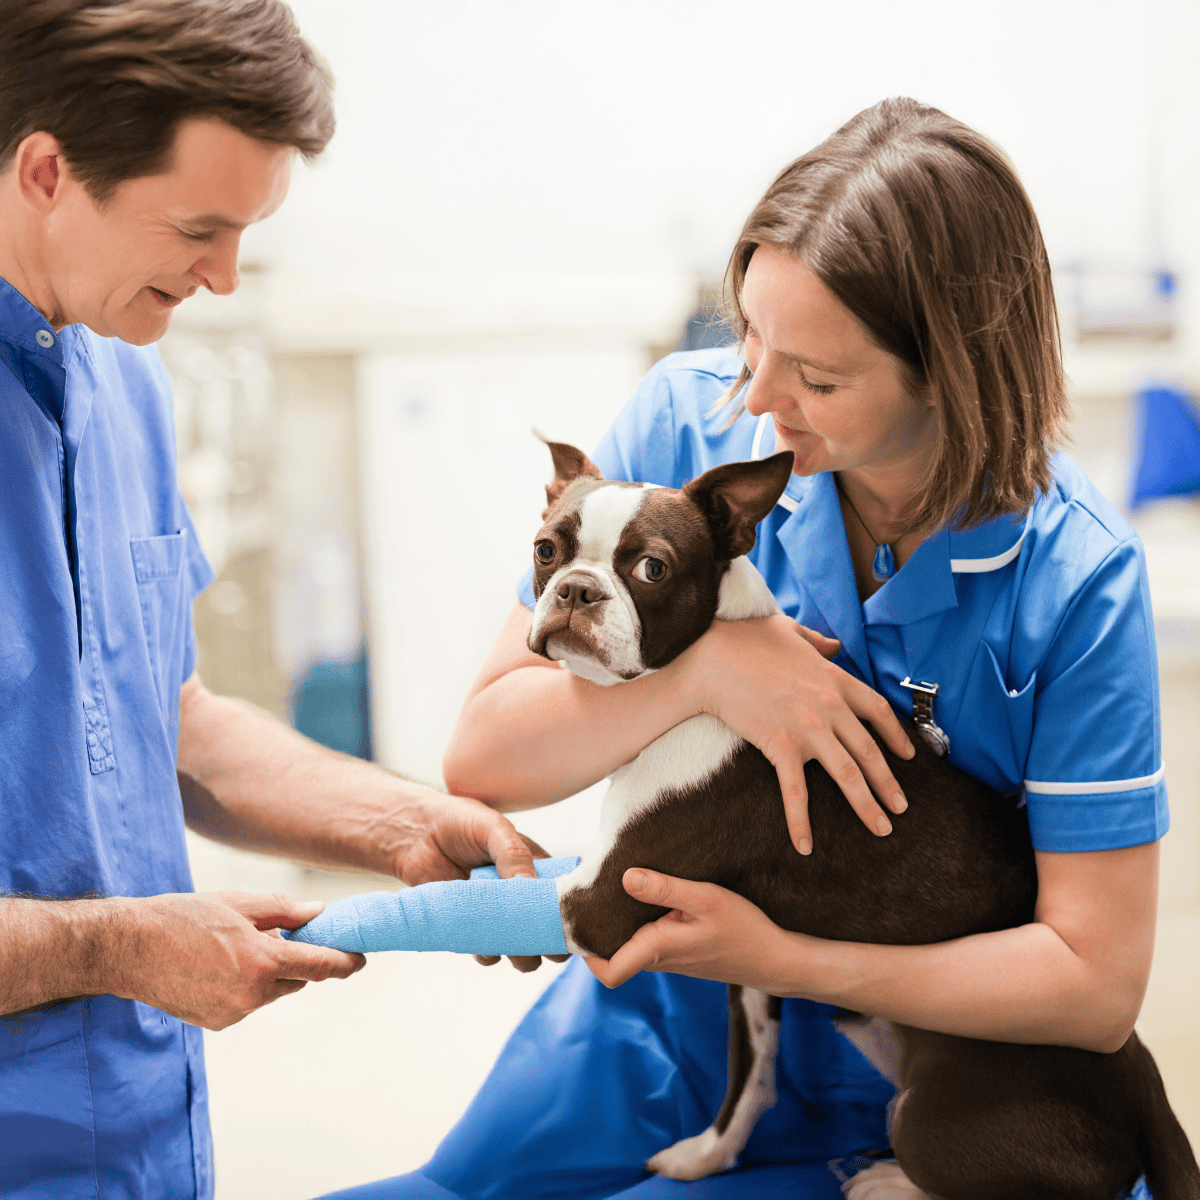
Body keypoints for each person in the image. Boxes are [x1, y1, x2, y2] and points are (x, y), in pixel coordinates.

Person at [332, 99, 1167, 1199]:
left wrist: (784, 960)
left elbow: (1093, 988)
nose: (759, 399)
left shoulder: (1077, 577)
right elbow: (486, 756)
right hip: (672, 1019)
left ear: (949, 375)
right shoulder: (692, 431)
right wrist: (712, 670)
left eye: (817, 378)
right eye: (750, 336)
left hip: (956, 1075)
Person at [0, 4, 547, 1197]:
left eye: (244, 232)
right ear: (45, 172)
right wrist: (111, 946)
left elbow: (174, 721)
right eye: (198, 229)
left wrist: (400, 824)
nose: (225, 276)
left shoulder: (122, 381)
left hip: (145, 1137)